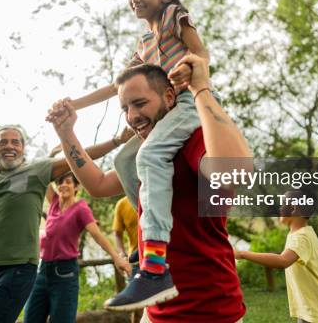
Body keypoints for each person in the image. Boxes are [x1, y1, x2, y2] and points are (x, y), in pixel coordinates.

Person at [47, 0, 216, 310]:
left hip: (186, 101)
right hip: (170, 108)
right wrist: (72, 104)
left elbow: (201, 53)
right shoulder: (143, 42)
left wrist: (191, 68)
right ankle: (154, 216)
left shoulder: (174, 15)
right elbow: (116, 85)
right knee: (126, 158)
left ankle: (155, 266)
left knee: (147, 154)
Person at [48, 56, 251, 322]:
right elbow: (98, 184)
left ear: (169, 97)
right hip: (155, 309)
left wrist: (200, 89)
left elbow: (233, 172)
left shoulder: (194, 141)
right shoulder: (144, 157)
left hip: (206, 310)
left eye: (140, 103)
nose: (132, 116)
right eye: (125, 108)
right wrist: (66, 134)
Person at [0, 73, 129, 323]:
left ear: (23, 149)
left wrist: (116, 140)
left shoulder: (36, 171)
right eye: (3, 142)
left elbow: (79, 155)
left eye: (16, 142)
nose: (10, 146)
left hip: (19, 269)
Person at [23, 172, 131, 323]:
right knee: (31, 318)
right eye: (60, 182)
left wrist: (116, 257)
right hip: (42, 272)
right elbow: (44, 175)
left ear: (77, 187)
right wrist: (54, 154)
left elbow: (97, 235)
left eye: (68, 182)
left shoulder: (80, 208)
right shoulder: (54, 201)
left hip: (64, 274)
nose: (63, 185)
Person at [235, 189, 318, 323]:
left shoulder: (301, 238)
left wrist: (242, 254)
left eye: (282, 205)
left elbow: (283, 261)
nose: (279, 208)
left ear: (292, 208)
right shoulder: (308, 233)